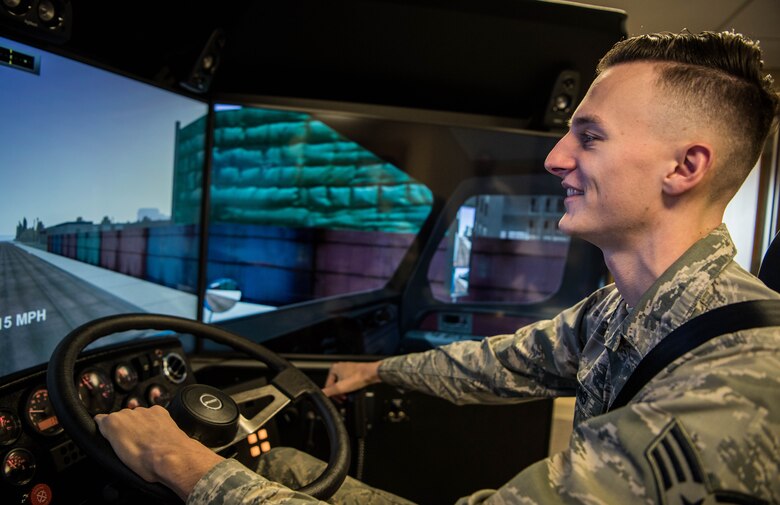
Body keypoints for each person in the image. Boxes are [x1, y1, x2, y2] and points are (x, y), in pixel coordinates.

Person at [95, 30, 780, 504]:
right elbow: (506, 360)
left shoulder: (735, 385)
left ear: (685, 167)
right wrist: (379, 368)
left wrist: (178, 461)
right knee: (278, 464)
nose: (555, 159)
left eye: (590, 137)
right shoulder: (627, 309)